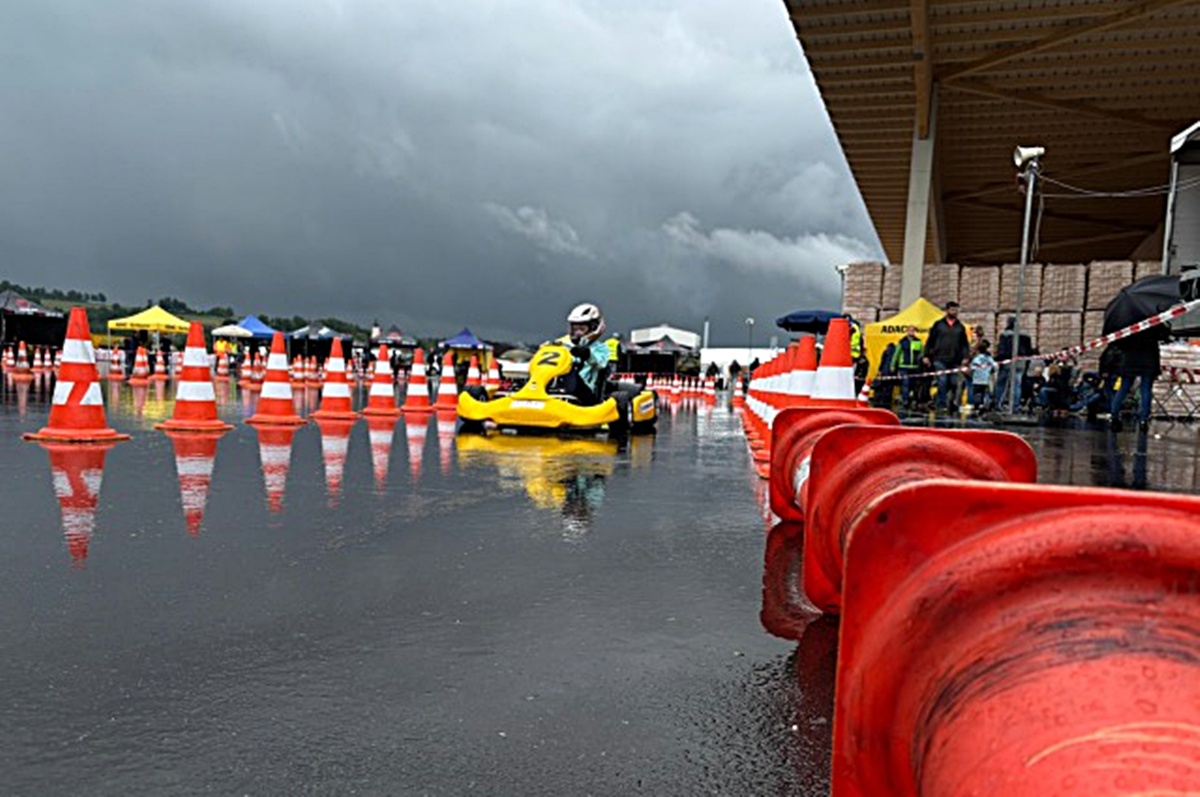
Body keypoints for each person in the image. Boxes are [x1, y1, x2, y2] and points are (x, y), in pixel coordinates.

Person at [1109, 322, 1171, 432]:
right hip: (1149, 359)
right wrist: (1166, 325)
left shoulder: (1126, 321)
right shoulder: (1153, 320)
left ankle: (1114, 417)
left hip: (1129, 359)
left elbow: (1117, 341)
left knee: (1123, 388)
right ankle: (1144, 420)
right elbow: (1164, 336)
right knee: (1146, 389)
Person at [556, 302, 612, 406]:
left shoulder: (601, 348)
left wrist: (587, 354)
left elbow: (601, 364)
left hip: (585, 391)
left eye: (581, 329)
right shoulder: (562, 343)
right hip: (560, 386)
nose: (577, 333)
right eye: (575, 329)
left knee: (571, 374)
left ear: (594, 327)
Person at [922, 301, 971, 412]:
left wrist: (966, 357)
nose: (955, 312)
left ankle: (950, 402)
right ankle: (941, 404)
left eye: (956, 310)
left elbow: (964, 344)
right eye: (953, 310)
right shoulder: (938, 325)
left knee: (953, 382)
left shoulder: (960, 327)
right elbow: (930, 341)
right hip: (939, 358)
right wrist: (926, 356)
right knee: (942, 381)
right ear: (947, 310)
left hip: (955, 359)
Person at [995, 315, 1034, 412]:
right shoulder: (1026, 335)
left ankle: (999, 404)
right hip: (1021, 362)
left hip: (1008, 360)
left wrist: (999, 360)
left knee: (1002, 383)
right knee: (1017, 384)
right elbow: (1029, 351)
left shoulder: (1005, 334)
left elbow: (1002, 350)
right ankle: (1015, 406)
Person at [891, 325, 924, 409]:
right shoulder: (902, 342)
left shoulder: (918, 341)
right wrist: (893, 365)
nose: (911, 332)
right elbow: (896, 354)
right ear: (907, 331)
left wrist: (922, 362)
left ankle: (911, 399)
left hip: (915, 366)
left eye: (913, 330)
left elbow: (921, 353)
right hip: (904, 366)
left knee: (914, 385)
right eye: (910, 330)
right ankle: (905, 400)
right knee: (905, 384)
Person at [969, 340, 997, 410]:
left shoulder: (976, 359)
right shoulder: (989, 358)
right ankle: (986, 405)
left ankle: (977, 406)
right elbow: (995, 366)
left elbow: (972, 368)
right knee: (986, 393)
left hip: (977, 379)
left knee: (977, 393)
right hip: (986, 379)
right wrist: (991, 371)